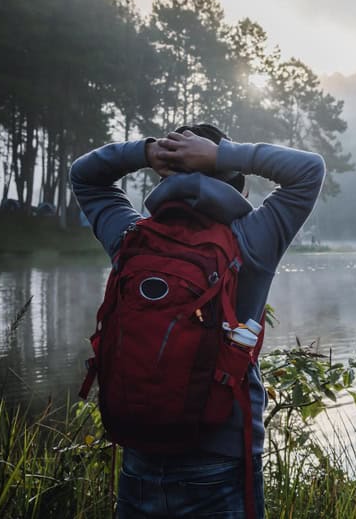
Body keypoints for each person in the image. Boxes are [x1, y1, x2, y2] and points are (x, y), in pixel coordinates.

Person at [70, 124, 325, 518]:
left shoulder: (131, 236)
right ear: (234, 186)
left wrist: (148, 151)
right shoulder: (251, 241)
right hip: (219, 462)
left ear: (167, 176)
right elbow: (310, 169)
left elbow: (84, 175)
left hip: (139, 458)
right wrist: (221, 154)